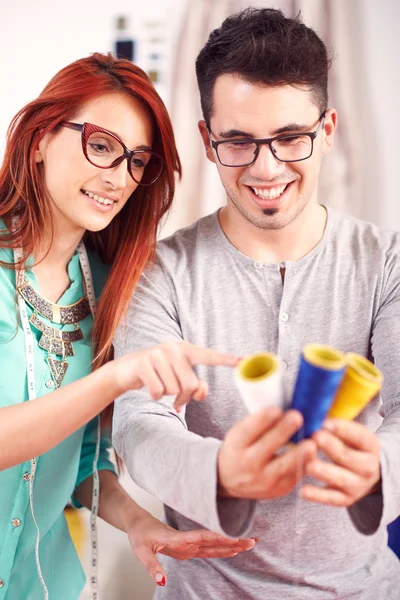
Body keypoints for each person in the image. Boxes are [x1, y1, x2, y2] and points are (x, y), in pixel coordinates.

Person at [112, 7, 400, 600]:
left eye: (291, 138)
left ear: (327, 129)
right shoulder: (158, 273)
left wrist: (379, 467)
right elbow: (139, 423)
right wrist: (216, 472)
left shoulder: (386, 261)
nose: (267, 169)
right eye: (239, 143)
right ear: (207, 142)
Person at [0, 53, 256, 600]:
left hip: (43, 587)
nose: (118, 178)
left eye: (137, 161)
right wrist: (115, 379)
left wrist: (142, 525)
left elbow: (83, 467)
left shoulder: (109, 288)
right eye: (100, 145)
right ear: (41, 137)